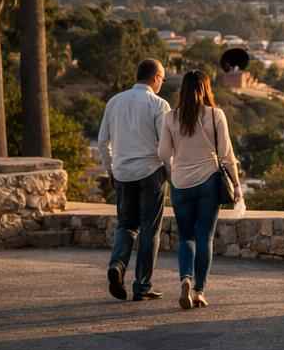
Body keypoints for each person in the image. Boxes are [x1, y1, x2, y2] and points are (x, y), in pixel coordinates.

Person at [159, 70, 242, 310]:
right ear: (206, 88)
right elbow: (227, 155)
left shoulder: (170, 117)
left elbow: (163, 154)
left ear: (182, 90)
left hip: (180, 183)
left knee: (186, 237)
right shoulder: (216, 115)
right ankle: (198, 291)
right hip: (208, 181)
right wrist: (236, 185)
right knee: (204, 237)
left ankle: (185, 278)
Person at [97, 58, 171, 301]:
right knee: (150, 230)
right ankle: (142, 286)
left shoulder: (114, 102)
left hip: (122, 173)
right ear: (155, 77)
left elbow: (102, 141)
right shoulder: (159, 105)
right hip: (151, 172)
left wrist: (111, 170)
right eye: (162, 77)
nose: (163, 82)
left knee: (126, 225)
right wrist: (171, 174)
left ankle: (117, 266)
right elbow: (165, 147)